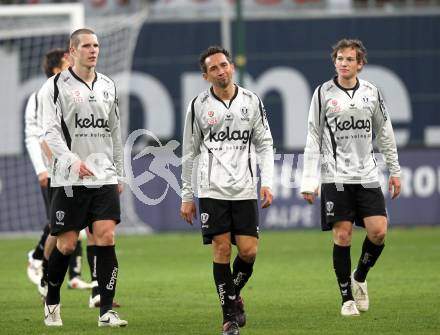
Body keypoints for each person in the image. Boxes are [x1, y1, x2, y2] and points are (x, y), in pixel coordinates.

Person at [300, 38, 401, 317]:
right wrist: (309, 181)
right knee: (342, 235)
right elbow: (313, 136)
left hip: (367, 174)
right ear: (335, 62)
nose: (343, 63)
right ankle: (346, 298)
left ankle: (360, 276)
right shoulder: (323, 93)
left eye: (349, 59)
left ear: (360, 64)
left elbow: (385, 133)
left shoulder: (372, 93)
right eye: (339, 59)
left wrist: (394, 171)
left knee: (378, 232)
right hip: (335, 176)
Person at [180, 46, 274, 335]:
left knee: (248, 252)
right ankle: (229, 318)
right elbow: (189, 152)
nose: (221, 71)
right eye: (214, 68)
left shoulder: (252, 101)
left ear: (231, 66)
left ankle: (232, 294)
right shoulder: (198, 105)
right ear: (206, 75)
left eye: (224, 65)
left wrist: (267, 181)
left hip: (245, 188)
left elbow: (265, 144)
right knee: (221, 250)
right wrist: (187, 195)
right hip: (212, 190)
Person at [41, 28, 126, 327]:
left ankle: (106, 311)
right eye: (87, 46)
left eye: (97, 45)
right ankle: (52, 300)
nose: (93, 50)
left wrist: (119, 172)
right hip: (68, 178)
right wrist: (73, 161)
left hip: (102, 176)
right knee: (65, 245)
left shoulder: (108, 85)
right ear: (73, 51)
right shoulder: (54, 87)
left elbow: (115, 131)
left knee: (106, 237)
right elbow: (49, 132)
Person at [25, 48, 92, 293]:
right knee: (60, 224)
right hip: (55, 171)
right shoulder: (42, 95)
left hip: (73, 169)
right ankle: (37, 257)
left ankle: (72, 275)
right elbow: (38, 136)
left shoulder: (75, 92)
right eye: (67, 61)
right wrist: (43, 168)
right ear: (56, 70)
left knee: (74, 224)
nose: (73, 63)